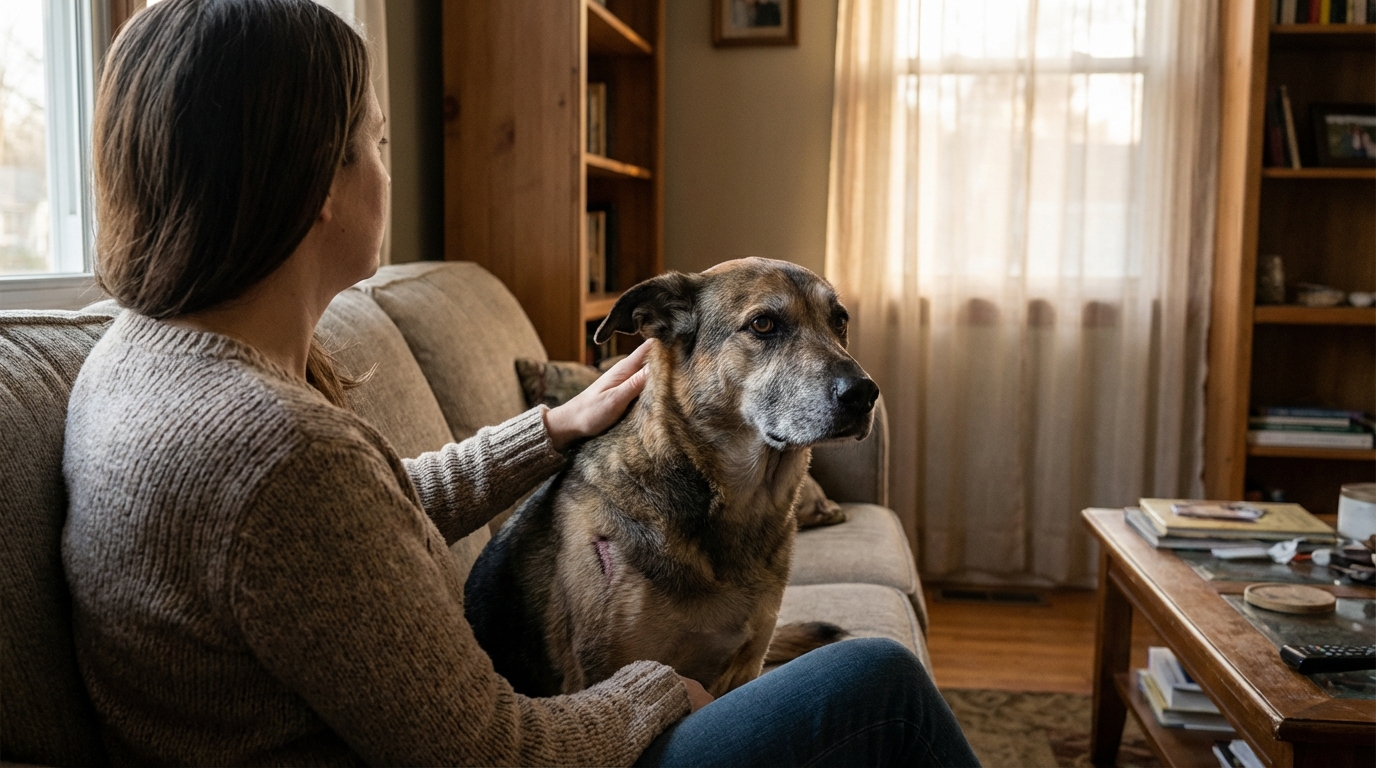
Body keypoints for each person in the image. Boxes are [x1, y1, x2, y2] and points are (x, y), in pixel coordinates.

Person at [62, 0, 981, 765]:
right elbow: (495, 750)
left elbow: (356, 524)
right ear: (318, 185)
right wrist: (659, 682)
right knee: (880, 689)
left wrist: (548, 431)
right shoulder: (273, 451)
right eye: (377, 141)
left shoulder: (140, 359)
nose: (389, 165)